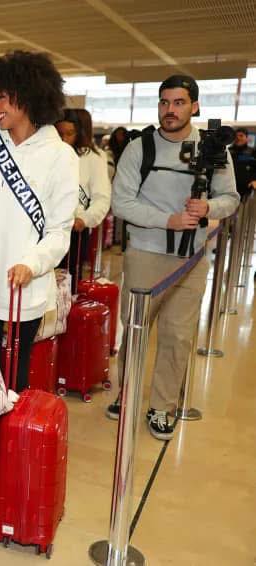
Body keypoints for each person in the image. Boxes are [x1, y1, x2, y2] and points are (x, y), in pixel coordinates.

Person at [0, 51, 78, 498]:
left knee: (14, 383)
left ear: (28, 97)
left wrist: (34, 263)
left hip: (24, 293)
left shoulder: (60, 156)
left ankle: (5, 463)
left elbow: (60, 229)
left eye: (3, 98)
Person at [108, 75, 239, 439]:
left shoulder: (213, 149)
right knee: (135, 332)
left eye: (179, 103)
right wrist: (168, 219)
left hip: (192, 259)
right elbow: (121, 202)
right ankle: (128, 393)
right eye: (165, 103)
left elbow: (231, 198)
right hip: (145, 255)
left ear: (194, 106)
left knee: (178, 336)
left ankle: (162, 407)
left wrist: (207, 206)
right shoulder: (140, 147)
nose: (170, 110)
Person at [55, 109, 111, 280]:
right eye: (59, 133)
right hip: (51, 227)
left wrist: (84, 219)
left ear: (79, 133)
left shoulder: (93, 158)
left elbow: (102, 197)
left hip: (75, 231)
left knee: (69, 282)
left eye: (69, 133)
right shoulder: (53, 153)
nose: (64, 138)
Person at [229, 127, 256, 199]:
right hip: (229, 188)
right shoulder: (228, 152)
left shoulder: (252, 152)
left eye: (241, 136)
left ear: (246, 138)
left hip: (247, 190)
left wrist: (254, 180)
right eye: (236, 136)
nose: (238, 138)